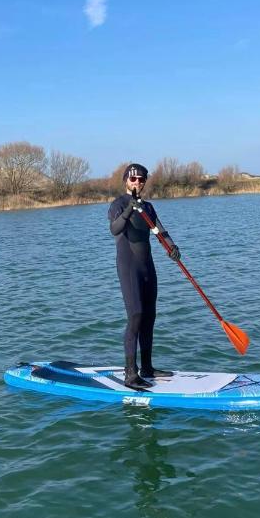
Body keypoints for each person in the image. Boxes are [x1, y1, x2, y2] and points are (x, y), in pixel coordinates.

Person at [108, 163, 181, 389]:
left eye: (141, 180)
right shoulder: (118, 205)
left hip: (147, 267)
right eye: (133, 179)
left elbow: (159, 230)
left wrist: (171, 246)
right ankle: (131, 373)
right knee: (136, 315)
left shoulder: (148, 207)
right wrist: (130, 208)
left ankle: (147, 368)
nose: (137, 183)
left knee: (149, 316)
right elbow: (115, 229)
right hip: (128, 268)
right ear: (126, 181)